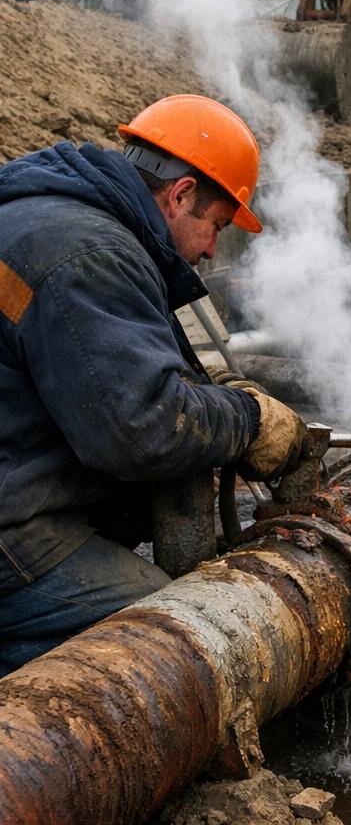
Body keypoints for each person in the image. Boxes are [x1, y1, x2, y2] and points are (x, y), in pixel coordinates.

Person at [0, 94, 307, 673]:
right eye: (215, 226)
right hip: (10, 530)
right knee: (185, 647)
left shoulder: (48, 213)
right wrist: (248, 420)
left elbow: (85, 364)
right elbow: (141, 429)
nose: (212, 249)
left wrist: (196, 382)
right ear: (181, 193)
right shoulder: (90, 254)